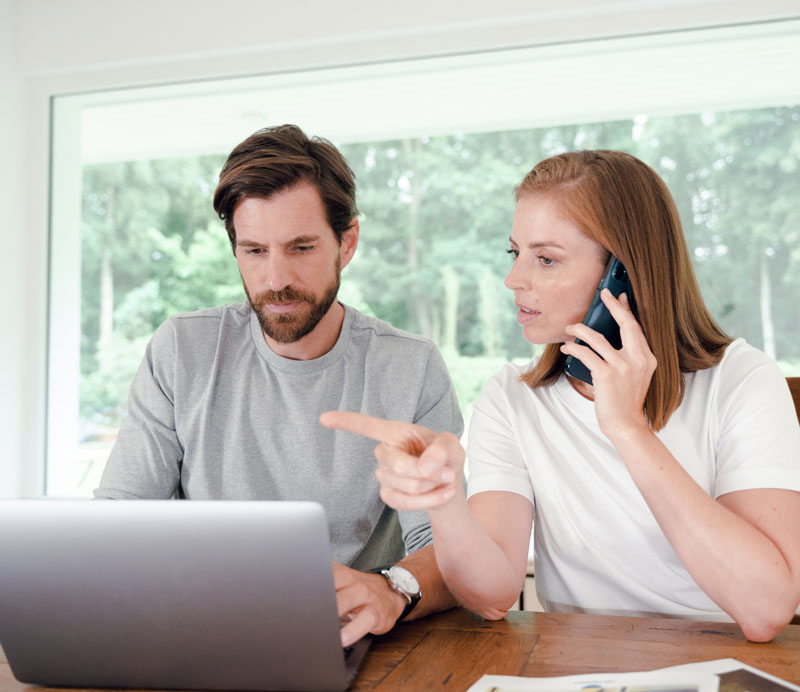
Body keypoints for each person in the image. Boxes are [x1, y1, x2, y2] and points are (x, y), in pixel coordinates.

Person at [322, 149, 800, 642]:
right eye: (516, 253)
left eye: (546, 259)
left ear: (626, 276)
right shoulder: (512, 398)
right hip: (575, 676)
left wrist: (627, 429)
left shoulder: (741, 380)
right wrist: (444, 504)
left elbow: (765, 610)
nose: (514, 280)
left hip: (721, 669)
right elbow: (492, 595)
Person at [95, 124, 463, 647]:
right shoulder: (182, 350)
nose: (275, 279)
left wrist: (392, 589)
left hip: (356, 643)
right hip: (200, 633)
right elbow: (118, 522)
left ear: (347, 242)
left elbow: (445, 549)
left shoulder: (410, 367)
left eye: (301, 247)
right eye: (255, 251)